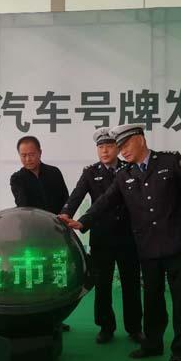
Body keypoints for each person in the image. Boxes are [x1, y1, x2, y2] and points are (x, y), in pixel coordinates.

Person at [59, 124, 181, 361]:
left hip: (175, 241)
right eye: (119, 146)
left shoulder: (169, 161)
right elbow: (105, 201)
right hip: (146, 245)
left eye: (125, 145)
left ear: (141, 140)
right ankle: (153, 344)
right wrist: (82, 222)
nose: (122, 150)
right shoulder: (125, 174)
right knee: (152, 299)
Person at [59, 127, 143, 345]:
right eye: (101, 147)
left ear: (118, 148)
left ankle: (135, 328)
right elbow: (76, 195)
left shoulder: (130, 168)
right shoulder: (90, 172)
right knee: (102, 284)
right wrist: (66, 213)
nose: (105, 151)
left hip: (128, 236)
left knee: (131, 284)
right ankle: (106, 327)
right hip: (102, 237)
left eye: (109, 146)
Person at [10, 135, 71, 331]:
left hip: (56, 234)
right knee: (34, 280)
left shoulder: (54, 173)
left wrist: (63, 220)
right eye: (23, 155)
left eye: (31, 154)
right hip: (31, 236)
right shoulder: (17, 178)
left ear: (40, 153)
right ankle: (33, 318)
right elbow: (23, 205)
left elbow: (66, 200)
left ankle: (55, 318)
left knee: (55, 278)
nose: (28, 159)